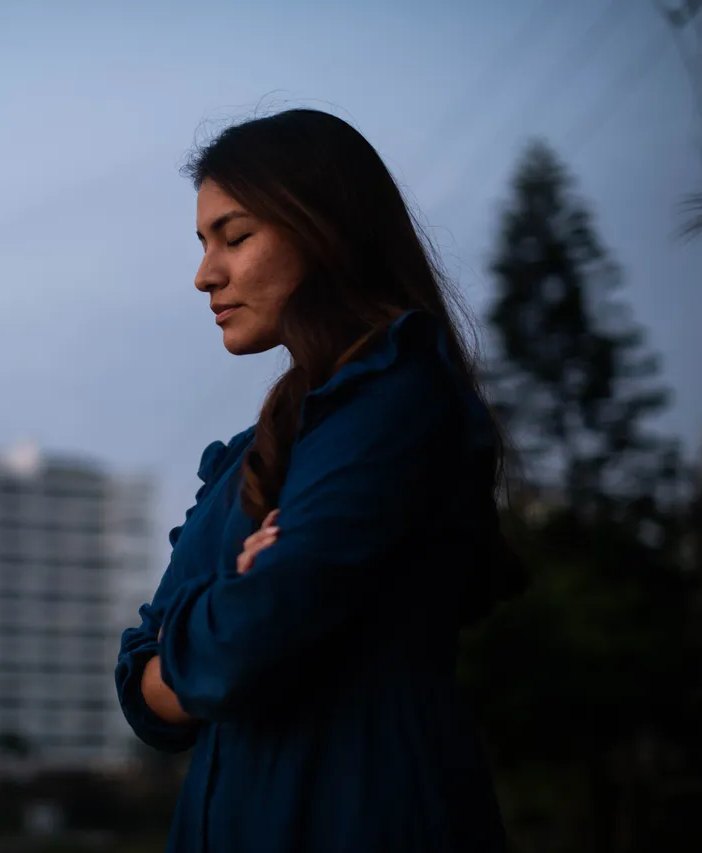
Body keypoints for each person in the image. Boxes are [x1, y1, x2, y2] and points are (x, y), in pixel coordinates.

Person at [114, 109, 527, 852]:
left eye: (235, 237)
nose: (207, 273)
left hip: (362, 816)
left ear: (324, 230)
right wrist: (229, 600)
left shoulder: (400, 398)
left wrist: (213, 624)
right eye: (205, 243)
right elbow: (141, 686)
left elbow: (233, 648)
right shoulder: (251, 454)